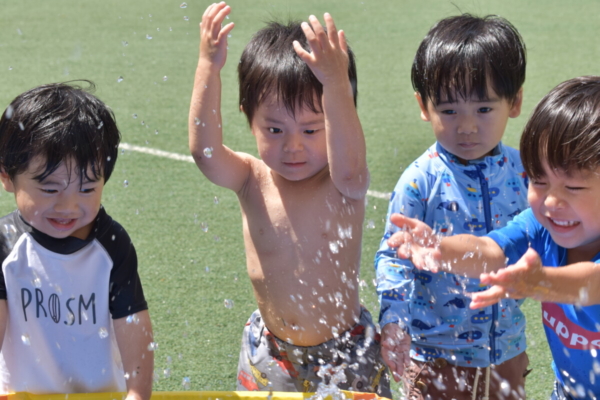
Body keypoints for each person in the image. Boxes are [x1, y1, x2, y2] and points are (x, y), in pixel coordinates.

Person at [189, 2, 389, 395]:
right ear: (249, 117)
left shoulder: (342, 181)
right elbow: (205, 154)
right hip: (272, 349)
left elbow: (349, 164)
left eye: (312, 131)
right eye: (276, 130)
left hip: (346, 348)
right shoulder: (251, 177)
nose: (294, 146)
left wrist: (335, 84)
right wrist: (208, 66)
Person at [387, 76, 600, 400]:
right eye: (539, 180)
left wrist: (541, 283)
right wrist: (440, 248)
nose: (551, 202)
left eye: (572, 187)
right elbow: (490, 249)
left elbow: (591, 283)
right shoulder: (543, 227)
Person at [374, 14, 529, 400]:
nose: (466, 126)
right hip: (436, 360)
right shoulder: (419, 180)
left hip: (506, 351)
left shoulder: (525, 173)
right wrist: (393, 319)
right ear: (423, 106)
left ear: (515, 102)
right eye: (449, 111)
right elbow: (393, 256)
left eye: (483, 109)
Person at [0, 81, 153, 399]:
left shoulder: (111, 244)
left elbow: (132, 321)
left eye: (86, 189)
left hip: (98, 393)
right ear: (7, 177)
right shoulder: (6, 244)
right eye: (50, 189)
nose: (67, 206)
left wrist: (137, 393)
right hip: (20, 394)